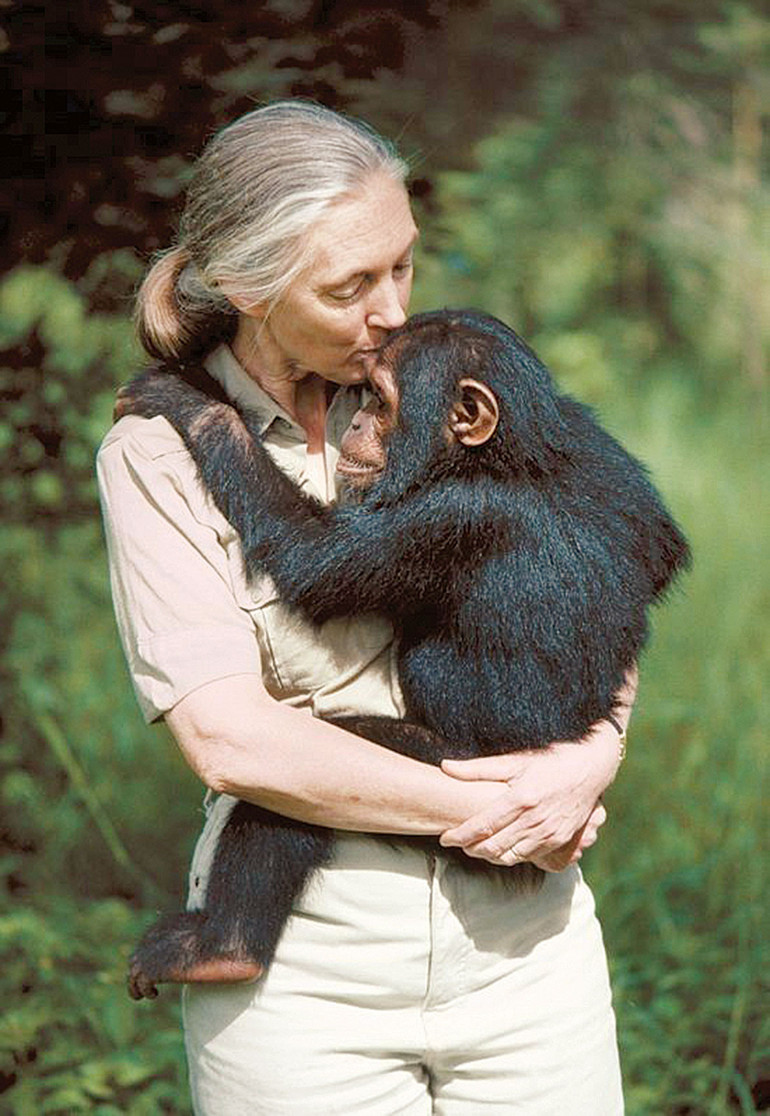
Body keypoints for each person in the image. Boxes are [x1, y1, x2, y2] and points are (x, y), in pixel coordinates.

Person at [98, 100, 635, 1115]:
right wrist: (512, 810)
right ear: (250, 289)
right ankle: (228, 939)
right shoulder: (155, 454)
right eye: (351, 286)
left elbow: (612, 558)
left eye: (404, 265)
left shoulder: (446, 385)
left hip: (527, 947)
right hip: (311, 968)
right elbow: (232, 742)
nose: (392, 311)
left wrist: (594, 749)